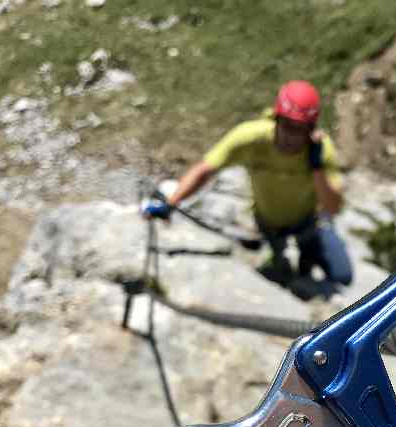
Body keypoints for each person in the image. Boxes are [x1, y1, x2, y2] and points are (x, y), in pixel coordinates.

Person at [143, 80, 353, 300]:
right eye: (288, 126)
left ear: (311, 130)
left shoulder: (320, 149)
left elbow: (333, 207)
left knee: (342, 275)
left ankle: (302, 260)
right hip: (268, 224)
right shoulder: (251, 138)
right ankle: (282, 261)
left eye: (301, 130)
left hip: (309, 222)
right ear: (276, 119)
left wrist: (317, 167)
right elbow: (205, 170)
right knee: (280, 272)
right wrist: (171, 204)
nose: (292, 137)